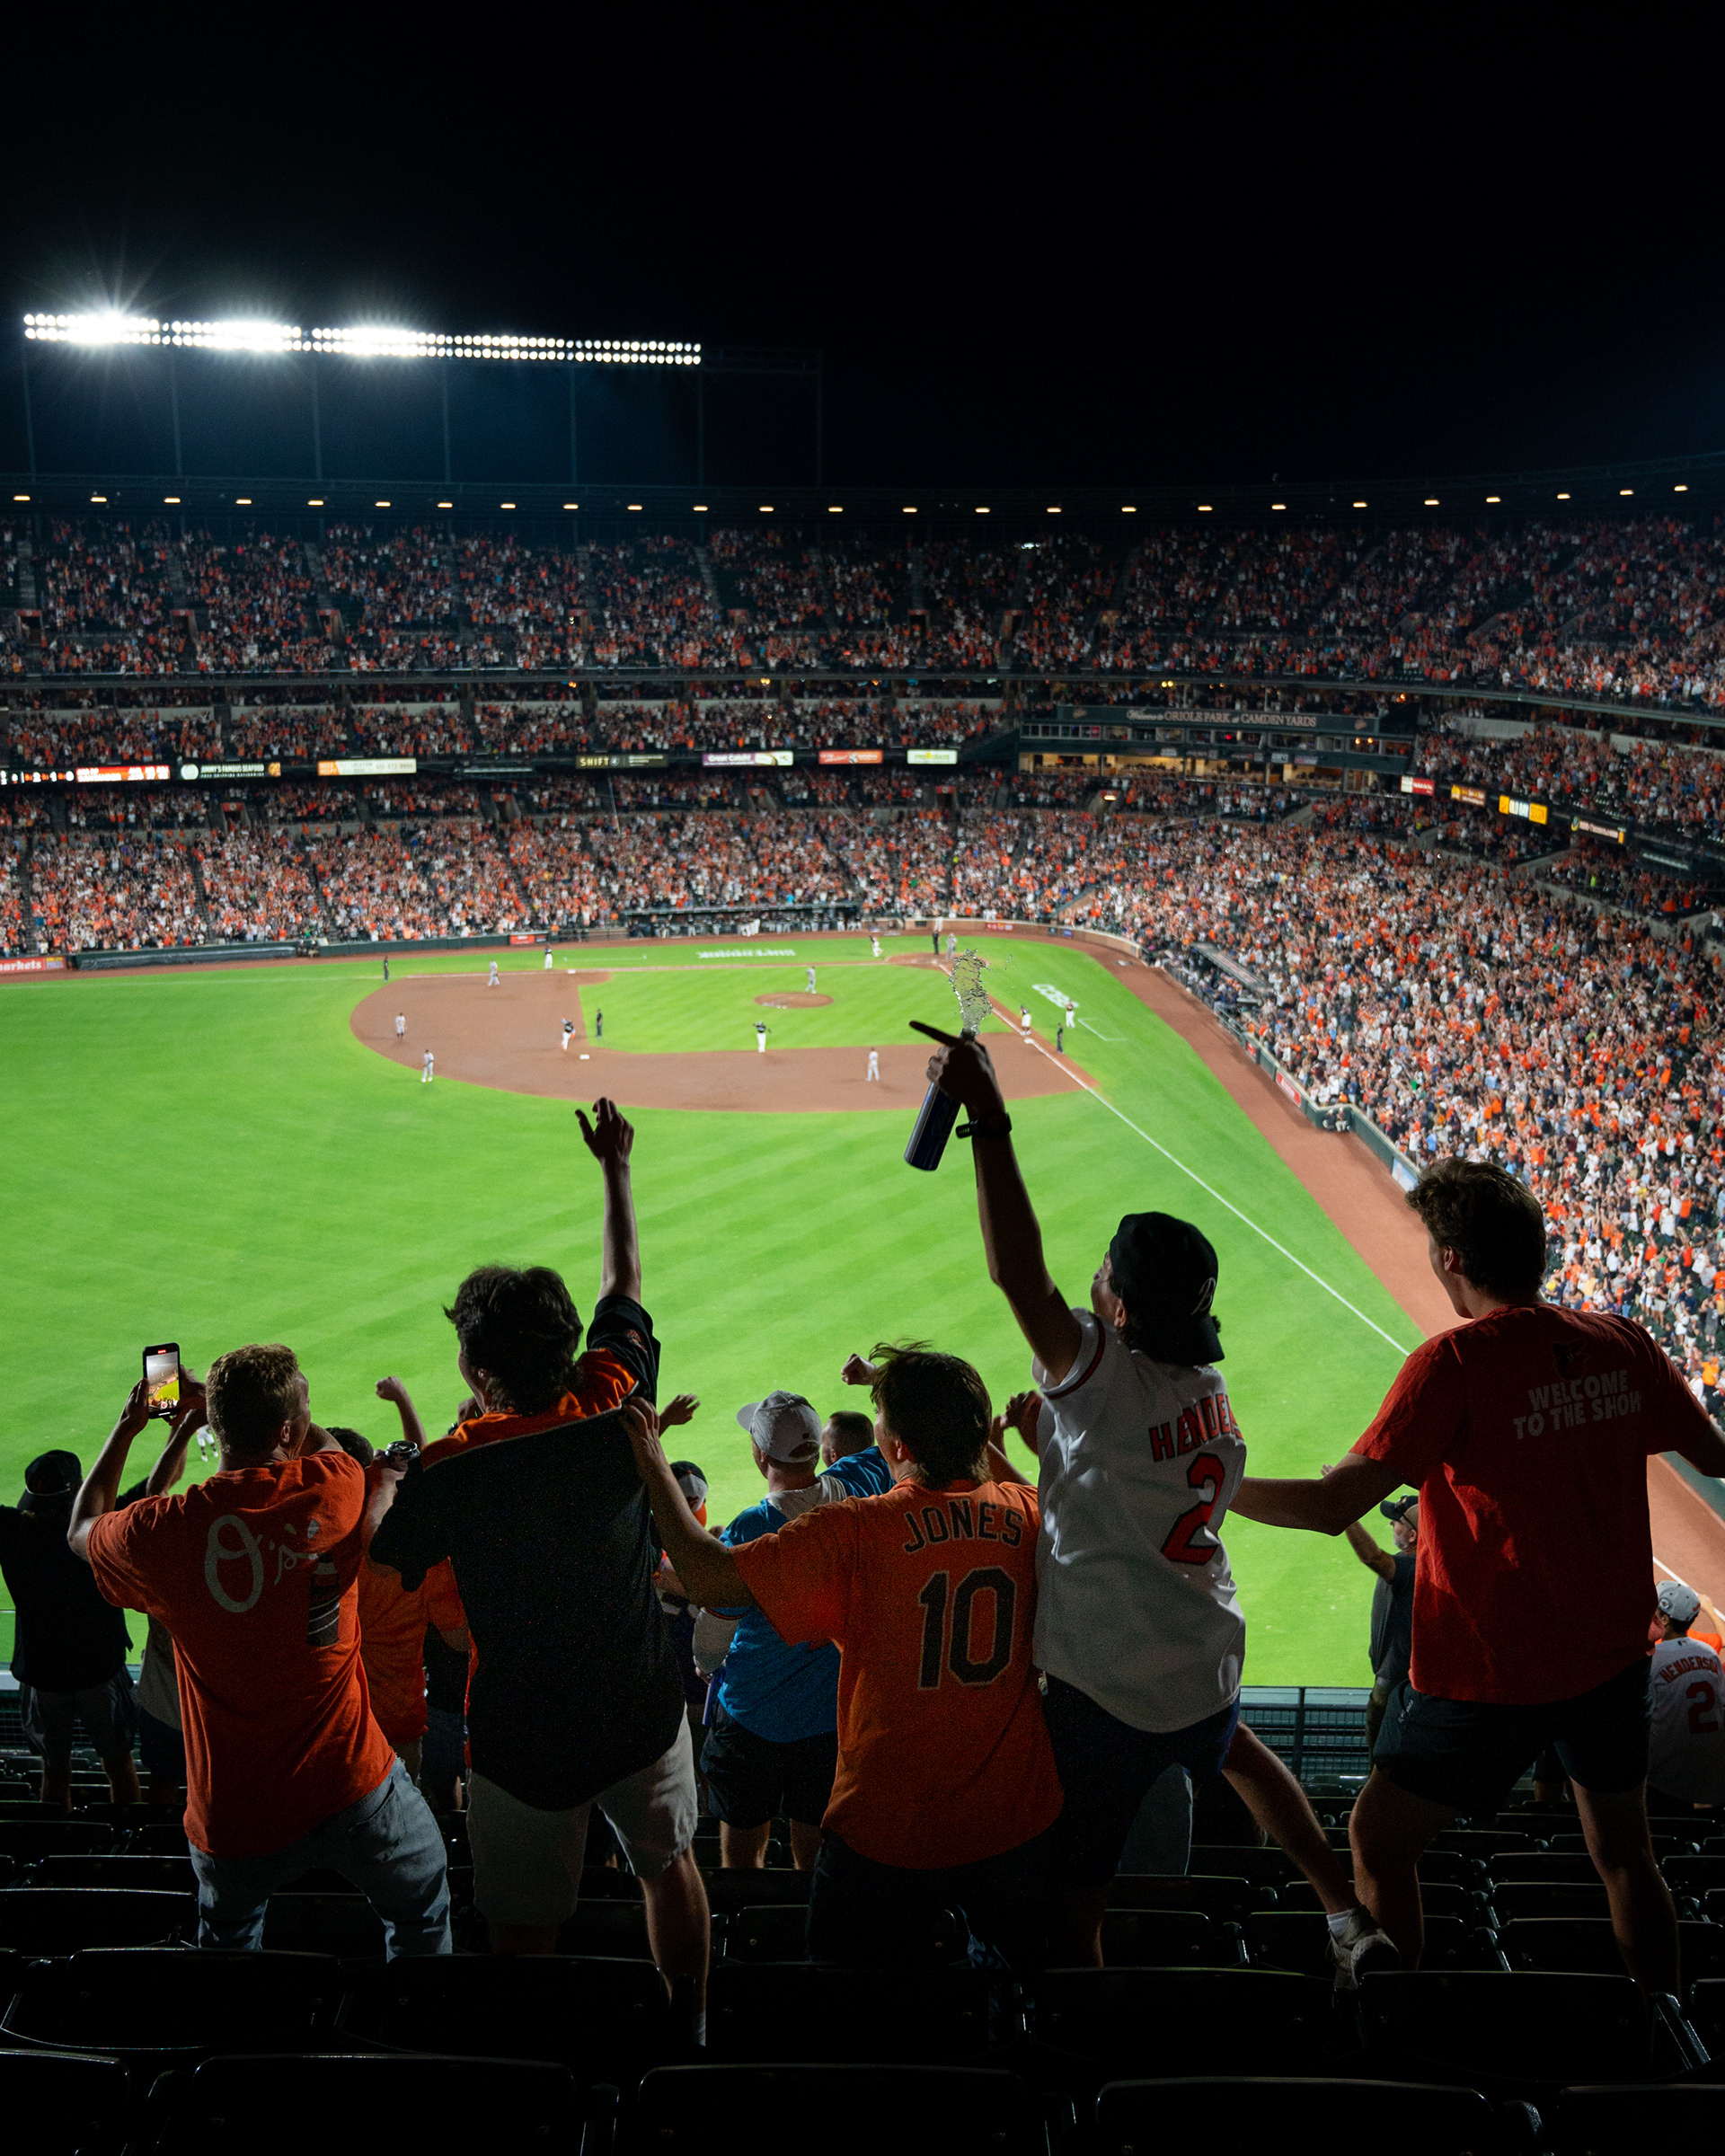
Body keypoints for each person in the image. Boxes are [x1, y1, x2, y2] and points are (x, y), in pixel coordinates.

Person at [923, 1024, 1395, 1982]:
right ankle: (1346, 1911)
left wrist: (988, 1120)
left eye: (1109, 1276)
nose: (1095, 1283)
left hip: (1106, 1684)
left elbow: (1019, 1274)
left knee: (1080, 1890)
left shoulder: (1100, 1374)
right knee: (1251, 1762)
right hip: (1202, 1651)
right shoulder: (1204, 1391)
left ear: (1126, 1311)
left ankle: (1079, 2035)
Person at [1227, 1157, 1725, 1995]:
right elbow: (1713, 1456)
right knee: (1627, 1859)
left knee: (1378, 1840)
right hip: (1609, 1662)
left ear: (1453, 1258)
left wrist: (1214, 1488)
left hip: (1489, 1672)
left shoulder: (1451, 1364)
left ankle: (1399, 2031)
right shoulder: (1625, 1343)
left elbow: (1328, 1503)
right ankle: (1663, 2029)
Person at [368, 1100, 711, 2023]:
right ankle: (690, 2029)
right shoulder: (614, 1397)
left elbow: (385, 1562)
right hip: (640, 1704)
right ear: (570, 1349)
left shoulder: (450, 1467)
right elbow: (626, 1278)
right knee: (669, 1870)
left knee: (523, 1929)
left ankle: (538, 2067)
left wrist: (383, 1475)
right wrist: (615, 1167)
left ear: (479, 1373)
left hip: (519, 1734)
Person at [625, 1342, 1062, 1977]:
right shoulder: (1027, 1513)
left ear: (899, 1447)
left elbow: (712, 1580)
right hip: (1015, 1826)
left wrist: (650, 1458)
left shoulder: (855, 1532)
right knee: (1012, 2002)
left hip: (887, 1834)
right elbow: (1034, 1505)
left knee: (847, 2002)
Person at [70, 1348, 451, 1957]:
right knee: (422, 1913)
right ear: (287, 1430)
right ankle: (411, 2038)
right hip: (352, 1785)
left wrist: (130, 1423)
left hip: (235, 1810)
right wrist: (274, 1413)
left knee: (228, 1944)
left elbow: (81, 1528)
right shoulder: (337, 1485)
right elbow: (324, 1445)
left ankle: (237, 2042)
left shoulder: (163, 1532)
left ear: (217, 1428)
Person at [693, 1392, 893, 1871]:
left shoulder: (749, 1530)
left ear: (761, 1456)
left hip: (751, 1717)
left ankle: (742, 1926)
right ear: (815, 1447)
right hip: (829, 1718)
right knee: (814, 1845)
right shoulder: (859, 1482)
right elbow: (889, 1440)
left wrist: (705, 1666)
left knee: (742, 1851)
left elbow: (711, 1639)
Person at [0, 1450, 141, 1807]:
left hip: (42, 1674)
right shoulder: (100, 1529)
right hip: (100, 1672)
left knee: (54, 1770)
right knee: (119, 1764)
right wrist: (181, 1429)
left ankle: (58, 1840)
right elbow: (157, 1486)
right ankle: (124, 1844)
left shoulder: (13, 1530)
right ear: (78, 1488)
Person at [351, 1378, 471, 1786]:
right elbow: (459, 1640)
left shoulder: (327, 1539)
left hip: (339, 1715)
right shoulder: (431, 1559)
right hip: (399, 1719)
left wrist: (382, 1480)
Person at [1336, 1488, 1419, 1755]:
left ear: (1413, 1534)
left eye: (1397, 1522)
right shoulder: (1412, 1565)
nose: (1391, 1525)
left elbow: (1371, 1556)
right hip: (1397, 1685)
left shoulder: (1412, 1568)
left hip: (1396, 1689)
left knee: (1384, 1768)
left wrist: (1344, 1512)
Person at [1646, 1581, 1725, 1814]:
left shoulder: (1654, 1658)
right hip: (1710, 1777)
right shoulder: (1708, 1653)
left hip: (1666, 1780)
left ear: (1666, 1619)